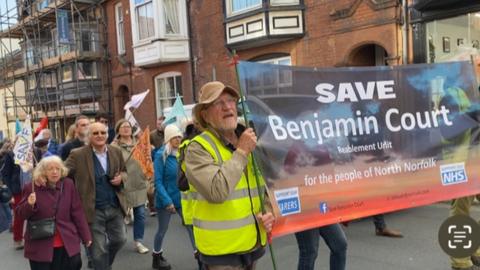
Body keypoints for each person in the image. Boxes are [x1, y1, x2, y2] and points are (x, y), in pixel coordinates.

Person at [185, 81, 275, 270]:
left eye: (231, 100)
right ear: (205, 114)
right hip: (222, 252)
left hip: (253, 243)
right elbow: (216, 192)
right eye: (218, 103)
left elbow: (266, 184)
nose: (227, 107)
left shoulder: (251, 139)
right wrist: (241, 152)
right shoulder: (197, 148)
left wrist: (269, 211)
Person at [63, 122, 127, 270]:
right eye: (95, 133)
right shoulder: (77, 154)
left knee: (120, 240)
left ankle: (103, 265)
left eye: (102, 133)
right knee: (98, 251)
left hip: (114, 206)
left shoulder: (115, 151)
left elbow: (124, 171)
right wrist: (43, 173)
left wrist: (121, 178)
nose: (100, 136)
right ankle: (102, 266)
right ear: (88, 136)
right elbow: (62, 172)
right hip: (92, 210)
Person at [16, 156, 92, 270]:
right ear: (43, 171)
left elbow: (77, 212)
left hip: (67, 241)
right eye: (50, 169)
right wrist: (29, 204)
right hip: (41, 245)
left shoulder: (68, 184)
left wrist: (86, 236)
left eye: (58, 168)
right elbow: (20, 214)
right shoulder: (32, 187)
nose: (55, 172)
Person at [111, 119, 149, 254]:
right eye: (123, 127)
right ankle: (117, 239)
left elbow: (147, 159)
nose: (126, 129)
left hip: (139, 183)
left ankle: (138, 241)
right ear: (118, 130)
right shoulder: (114, 147)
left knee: (140, 214)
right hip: (123, 185)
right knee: (120, 215)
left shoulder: (139, 143)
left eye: (128, 126)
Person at [152, 124, 187, 269]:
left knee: (191, 227)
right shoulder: (161, 156)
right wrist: (167, 201)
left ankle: (200, 256)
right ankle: (157, 257)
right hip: (165, 200)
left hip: (182, 199)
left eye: (179, 136)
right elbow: (158, 182)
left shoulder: (182, 154)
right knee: (162, 230)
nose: (178, 139)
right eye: (174, 137)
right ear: (168, 139)